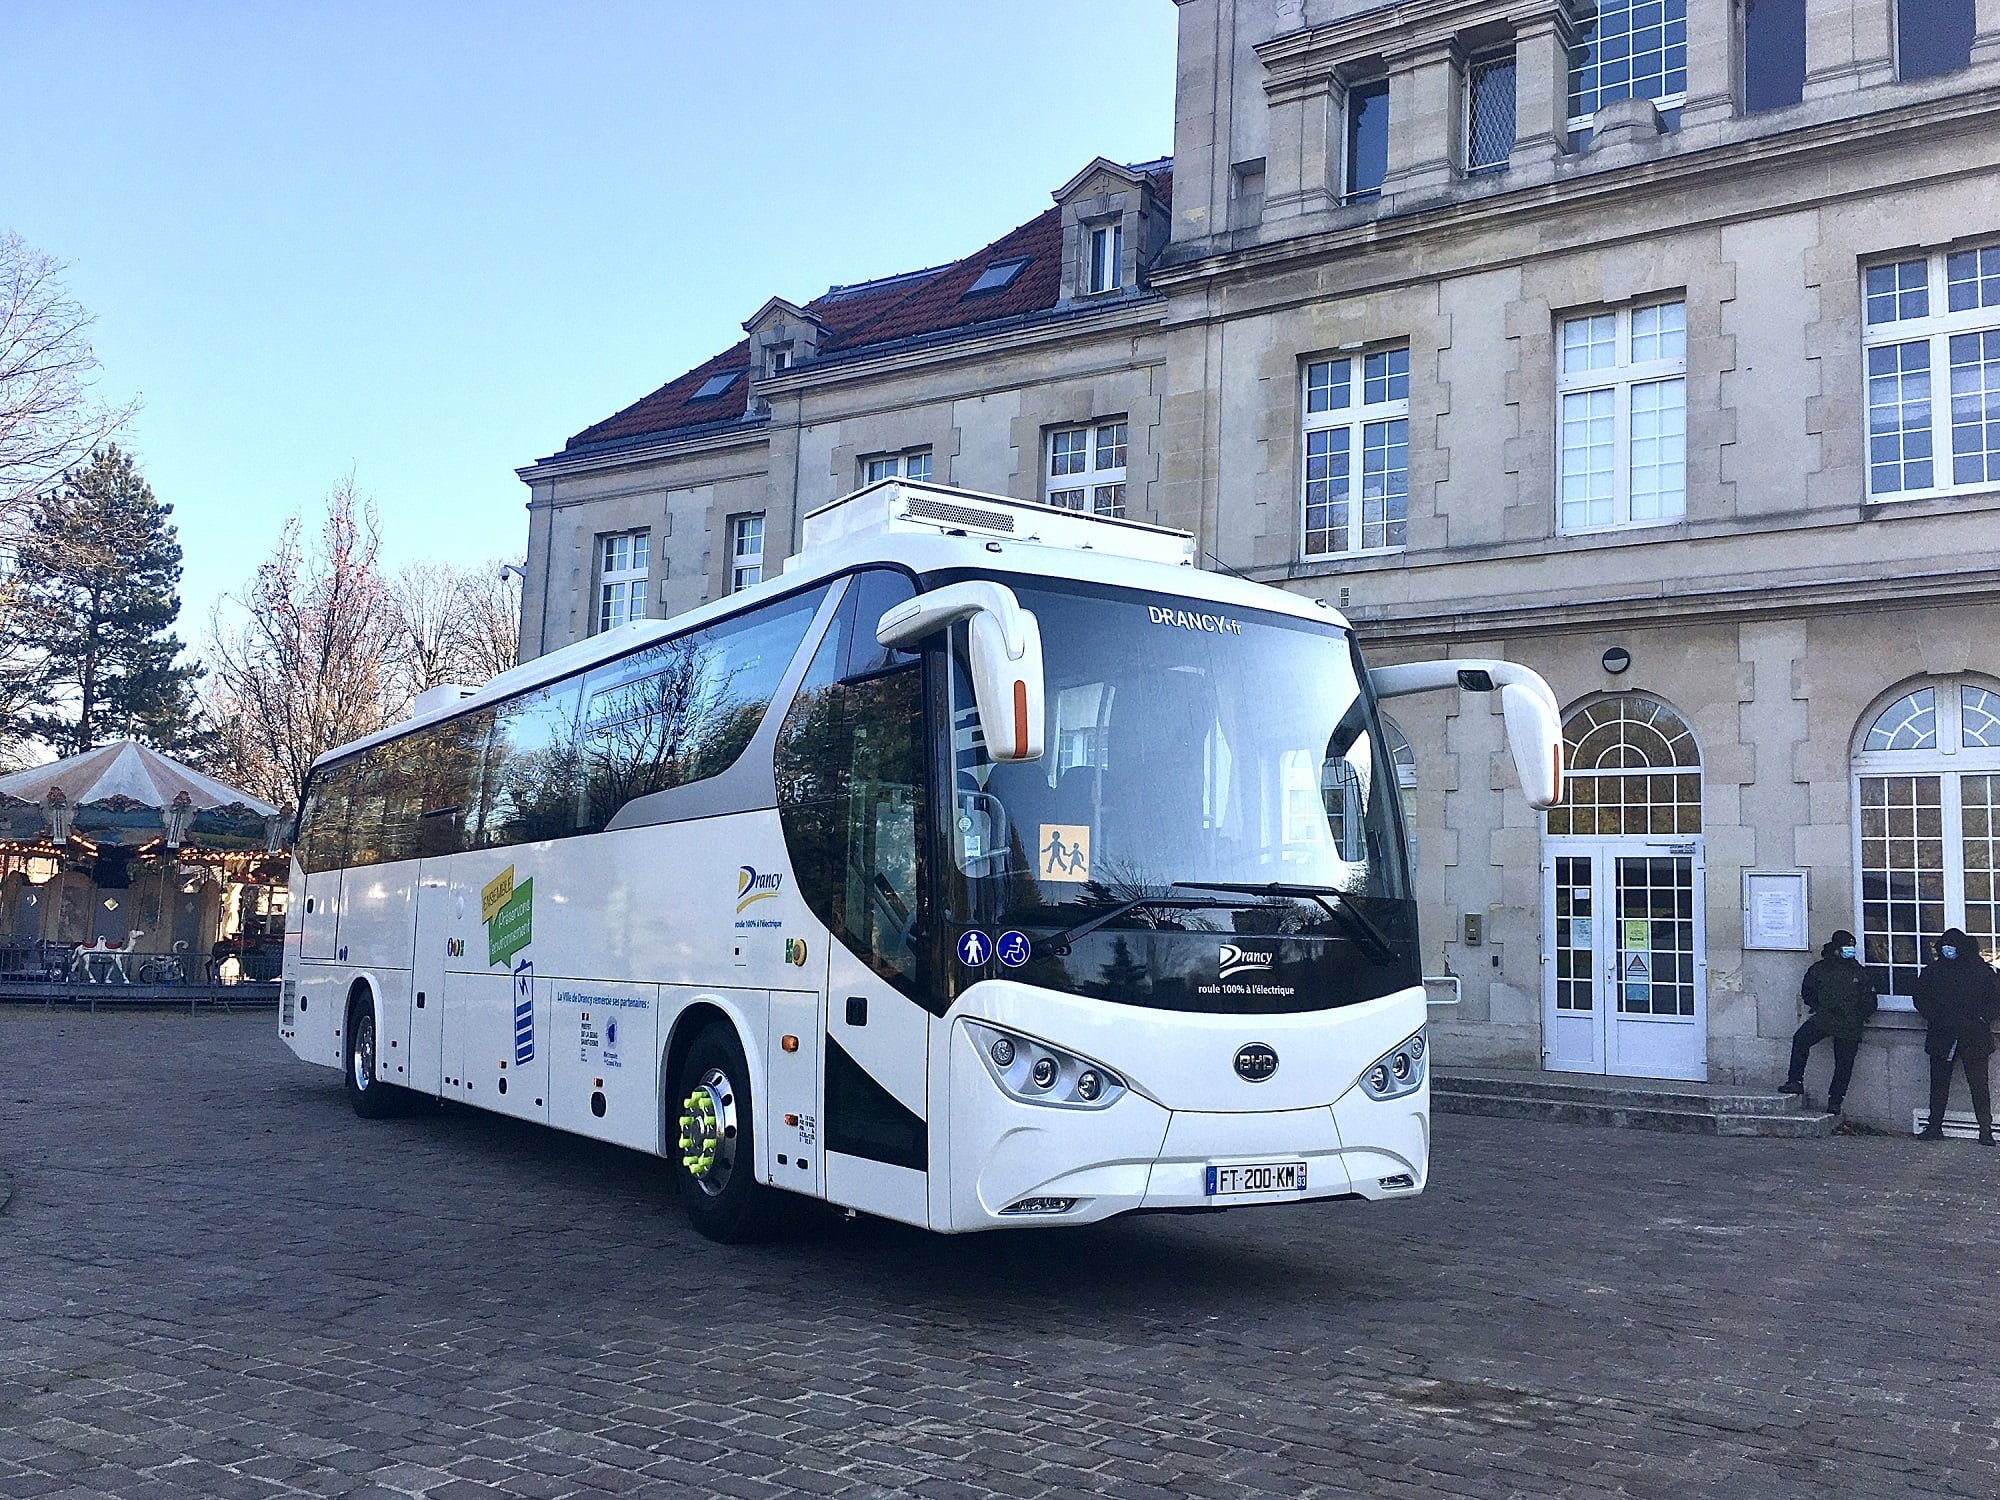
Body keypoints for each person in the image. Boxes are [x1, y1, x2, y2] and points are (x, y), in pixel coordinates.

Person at [1778, 929, 1880, 1115]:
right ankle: (1795, 1081)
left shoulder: (1858, 971)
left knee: (1844, 1064)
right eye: (1847, 946)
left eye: (1852, 946)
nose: (1850, 950)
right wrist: (1820, 1007)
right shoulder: (1822, 969)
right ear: (1837, 949)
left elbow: (1870, 1000)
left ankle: (1835, 1101)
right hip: (1827, 1018)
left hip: (1849, 1022)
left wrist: (1859, 1015)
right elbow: (1808, 991)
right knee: (1801, 1039)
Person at [1911, 928, 1999, 1144]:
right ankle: (1934, 1126)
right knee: (1939, 1084)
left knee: (1979, 1085)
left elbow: (1996, 999)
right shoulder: (1933, 971)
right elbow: (1921, 997)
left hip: (1973, 1034)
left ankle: (1985, 1130)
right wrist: (1935, 1018)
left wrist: (1983, 1018)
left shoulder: (1982, 971)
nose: (1948, 950)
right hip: (1943, 1034)